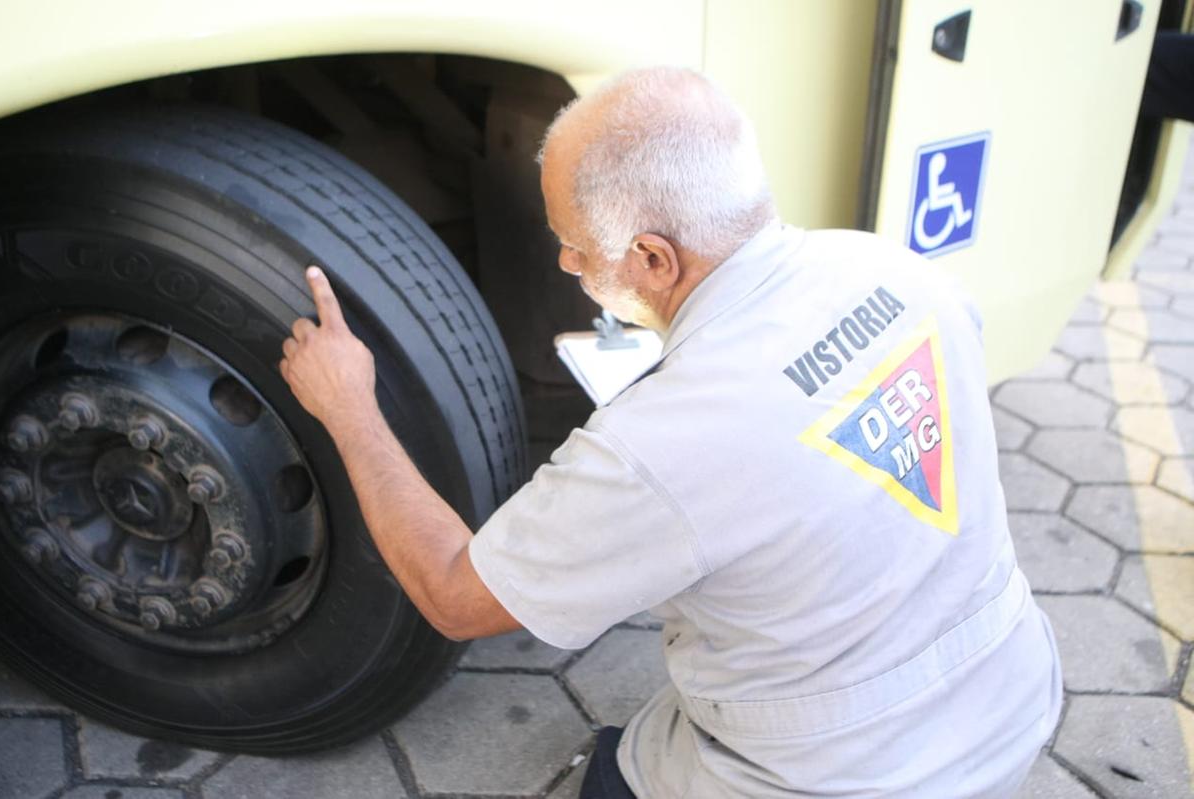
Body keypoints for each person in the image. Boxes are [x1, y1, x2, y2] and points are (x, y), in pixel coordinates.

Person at [280, 66, 1062, 798]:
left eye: (576, 247)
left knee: (615, 775)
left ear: (653, 256)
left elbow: (454, 594)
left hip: (842, 776)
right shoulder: (900, 269)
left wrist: (348, 405)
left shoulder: (651, 446)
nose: (562, 258)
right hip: (1014, 694)